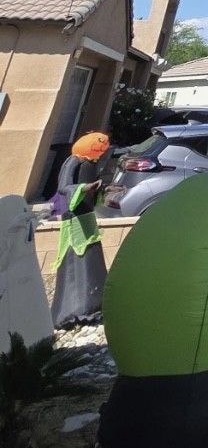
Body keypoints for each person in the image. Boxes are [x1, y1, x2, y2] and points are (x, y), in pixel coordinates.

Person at [49, 132, 111, 329]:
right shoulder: (73, 162)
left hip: (87, 215)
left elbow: (94, 188)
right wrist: (84, 187)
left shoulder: (90, 164)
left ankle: (94, 303)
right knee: (75, 259)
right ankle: (74, 309)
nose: (102, 154)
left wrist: (102, 190)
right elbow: (63, 187)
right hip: (74, 216)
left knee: (91, 256)